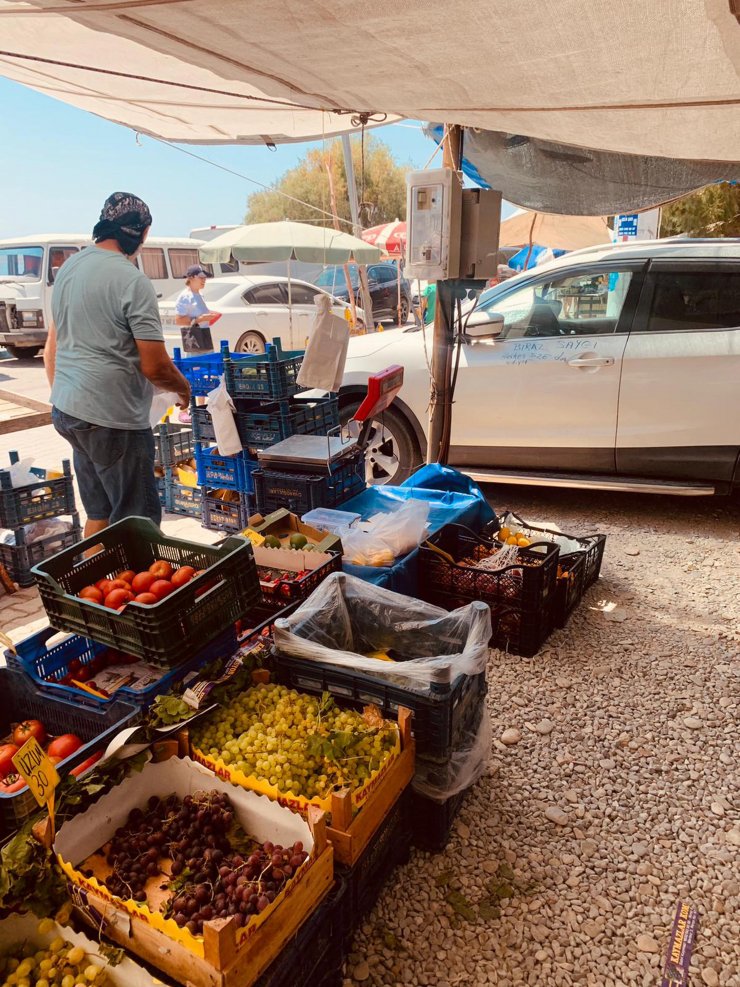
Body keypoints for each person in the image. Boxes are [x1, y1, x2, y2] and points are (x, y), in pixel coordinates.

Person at [43, 191, 191, 536]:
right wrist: (183, 388)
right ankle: (131, 590)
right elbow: (155, 367)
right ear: (142, 233)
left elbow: (53, 345)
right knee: (136, 524)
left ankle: (88, 590)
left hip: (68, 411)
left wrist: (69, 395)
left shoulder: (70, 267)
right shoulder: (132, 280)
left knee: (100, 513)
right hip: (113, 421)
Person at [174, 264, 219, 421]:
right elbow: (179, 319)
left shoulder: (199, 294)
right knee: (192, 372)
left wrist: (208, 317)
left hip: (204, 336)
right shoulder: (185, 296)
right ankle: (184, 409)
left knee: (205, 372)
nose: (204, 280)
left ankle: (201, 406)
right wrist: (198, 319)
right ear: (191, 278)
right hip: (193, 338)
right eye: (201, 277)